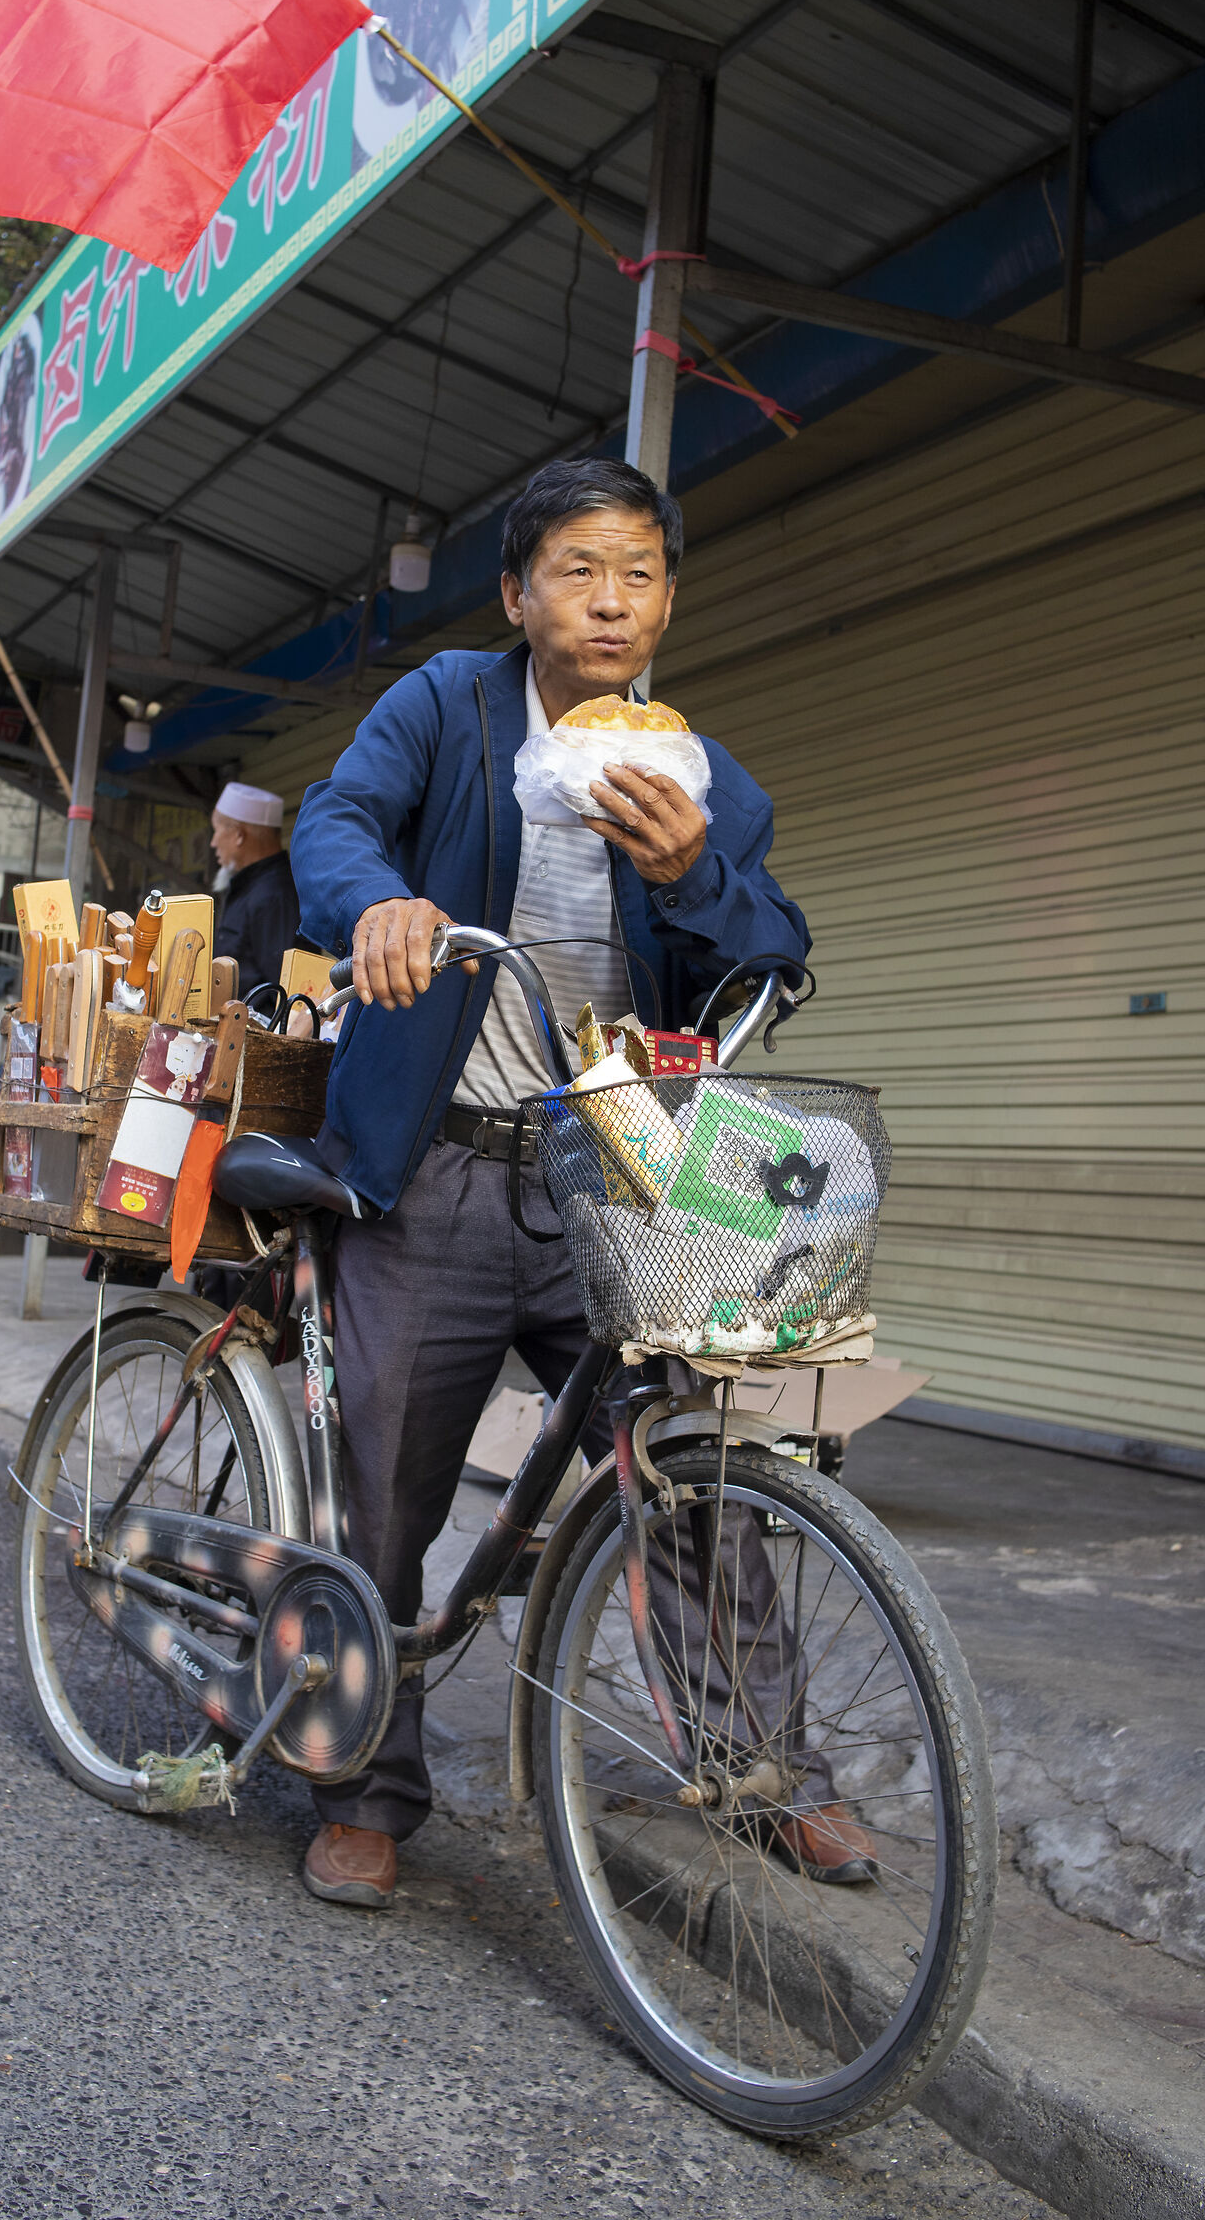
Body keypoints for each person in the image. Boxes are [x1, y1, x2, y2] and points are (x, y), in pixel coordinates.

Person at [290, 454, 870, 1911]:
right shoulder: (448, 711)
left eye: (637, 575)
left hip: (617, 1179)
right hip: (441, 1171)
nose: (609, 603)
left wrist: (697, 883)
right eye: (575, 572)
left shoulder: (694, 770)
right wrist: (381, 907)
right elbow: (334, 825)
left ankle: (759, 1771)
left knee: (694, 1477)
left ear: (670, 596)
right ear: (517, 594)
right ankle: (366, 1778)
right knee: (388, 1498)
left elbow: (772, 950)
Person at [211, 782, 303, 1002]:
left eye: (217, 831)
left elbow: (283, 989)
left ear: (239, 835)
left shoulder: (275, 893)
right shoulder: (250, 887)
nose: (213, 843)